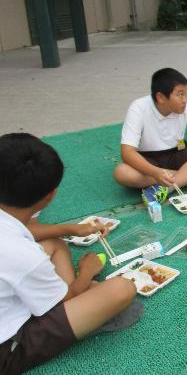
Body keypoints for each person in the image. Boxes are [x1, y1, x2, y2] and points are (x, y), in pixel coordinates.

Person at [0, 133, 137, 374]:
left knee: (55, 242)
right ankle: (84, 304)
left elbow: (23, 229)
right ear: (49, 196)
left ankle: (80, 297)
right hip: (8, 348)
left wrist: (71, 229)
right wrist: (87, 272)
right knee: (121, 289)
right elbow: (62, 300)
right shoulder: (23, 255)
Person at [113, 67, 187, 204]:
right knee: (121, 172)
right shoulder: (138, 108)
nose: (185, 100)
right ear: (161, 97)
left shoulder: (186, 107)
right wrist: (155, 172)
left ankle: (168, 187)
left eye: (185, 94)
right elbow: (127, 153)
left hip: (177, 153)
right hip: (148, 159)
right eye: (180, 94)